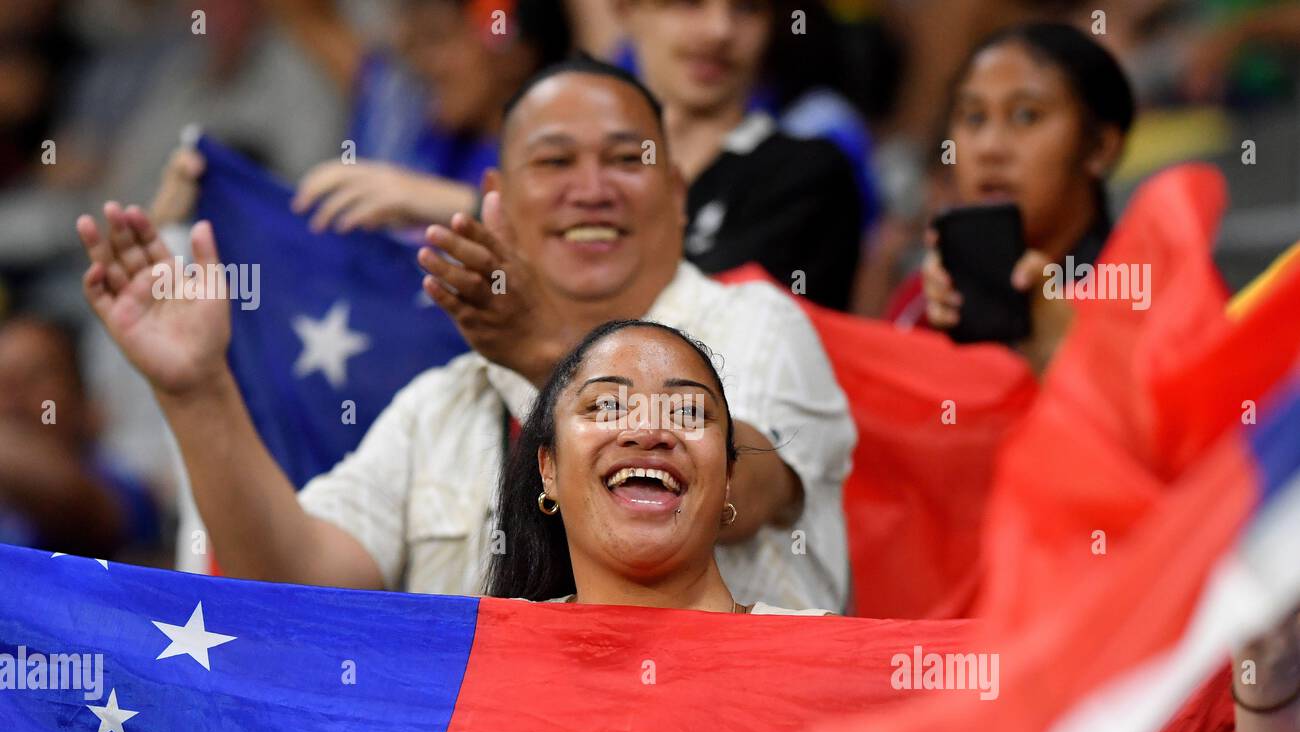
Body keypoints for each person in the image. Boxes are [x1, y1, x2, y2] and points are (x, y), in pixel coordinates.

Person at [76, 56, 855, 613]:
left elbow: (745, 492)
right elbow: (294, 581)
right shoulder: (440, 402)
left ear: (678, 192)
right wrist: (196, 388)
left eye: (628, 159)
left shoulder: (757, 322)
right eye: (554, 162)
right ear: (500, 199)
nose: (592, 189)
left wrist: (543, 355)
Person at [487, 318, 830, 614]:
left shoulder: (831, 660)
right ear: (549, 469)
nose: (648, 431)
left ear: (728, 477)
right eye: (608, 405)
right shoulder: (479, 657)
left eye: (687, 411)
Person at [884, 22, 1134, 375]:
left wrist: (1060, 348)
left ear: (1100, 148)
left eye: (1026, 116)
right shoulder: (923, 304)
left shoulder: (1147, 292)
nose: (989, 148)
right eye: (973, 117)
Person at [616, 0, 862, 309]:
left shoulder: (807, 176)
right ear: (626, 10)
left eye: (748, 8)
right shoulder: (572, 168)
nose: (720, 31)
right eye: (690, 4)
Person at [272, 0, 573, 233]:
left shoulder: (567, 155)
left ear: (514, 52)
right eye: (415, 44)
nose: (423, 63)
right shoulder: (406, 121)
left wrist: (439, 202)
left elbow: (562, 227)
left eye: (438, 38)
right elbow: (306, 16)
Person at [0, 313, 159, 558]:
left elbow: (79, 507)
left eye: (34, 378)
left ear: (87, 405)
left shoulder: (119, 487)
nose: (12, 401)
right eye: (3, 382)